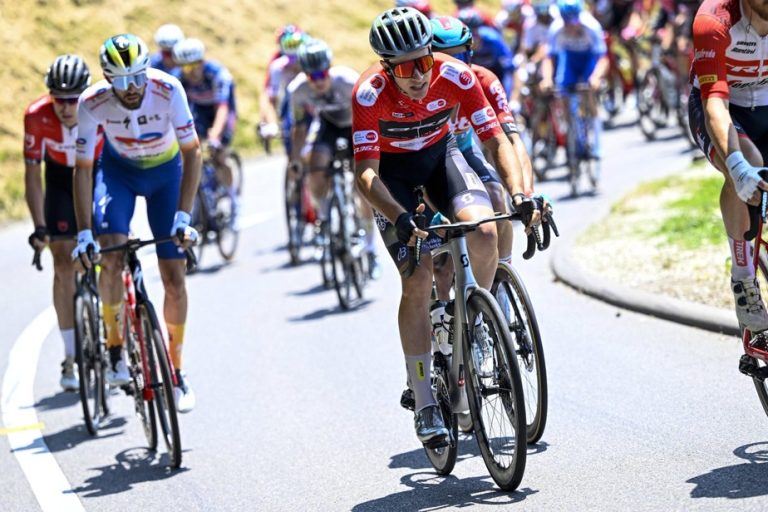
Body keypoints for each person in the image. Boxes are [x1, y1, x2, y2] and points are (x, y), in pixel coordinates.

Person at [353, 7, 538, 446]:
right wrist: (399, 217)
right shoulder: (368, 94)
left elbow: (496, 141)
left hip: (441, 159)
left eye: (424, 61)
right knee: (416, 278)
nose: (418, 74)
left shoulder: (456, 75)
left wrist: (519, 195)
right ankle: (424, 402)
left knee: (486, 231)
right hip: (393, 178)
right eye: (405, 67)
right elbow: (365, 175)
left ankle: (477, 320)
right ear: (386, 67)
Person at [72, 33, 202, 412]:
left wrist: (183, 215)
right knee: (110, 255)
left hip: (166, 174)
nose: (131, 89)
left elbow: (193, 153)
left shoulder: (168, 88)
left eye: (138, 78)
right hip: (119, 174)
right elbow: (82, 170)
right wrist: (83, 233)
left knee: (174, 278)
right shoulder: (91, 102)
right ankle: (114, 347)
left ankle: (176, 372)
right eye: (121, 81)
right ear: (107, 79)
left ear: (148, 71)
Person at [688, 0, 768, 334]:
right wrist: (736, 168)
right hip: (720, 108)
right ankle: (743, 278)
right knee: (749, 162)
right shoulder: (714, 20)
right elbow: (715, 106)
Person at [430, 15, 535, 266]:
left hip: (465, 150)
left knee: (497, 197)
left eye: (461, 58)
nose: (455, 67)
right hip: (429, 161)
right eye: (445, 59)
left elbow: (511, 140)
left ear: (471, 54)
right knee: (440, 266)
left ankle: (503, 278)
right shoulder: (419, 88)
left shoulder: (484, 80)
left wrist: (526, 194)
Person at [24, 55, 95, 391]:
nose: (66, 108)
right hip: (58, 182)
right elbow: (33, 176)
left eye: (73, 100)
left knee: (113, 252)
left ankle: (116, 343)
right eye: (59, 99)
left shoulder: (97, 108)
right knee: (63, 262)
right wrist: (40, 226)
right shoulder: (36, 117)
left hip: (96, 175)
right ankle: (70, 356)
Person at [287, 39, 382, 278]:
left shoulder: (348, 80)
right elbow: (299, 127)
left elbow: (374, 112)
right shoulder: (297, 90)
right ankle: (323, 220)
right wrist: (296, 159)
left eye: (321, 74)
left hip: (356, 125)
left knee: (363, 189)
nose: (317, 81)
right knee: (315, 171)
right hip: (328, 126)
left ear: (328, 69)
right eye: (311, 76)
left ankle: (371, 249)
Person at [172, 38, 238, 204]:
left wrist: (215, 135)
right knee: (191, 148)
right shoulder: (178, 80)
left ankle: (233, 198)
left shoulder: (217, 74)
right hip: (199, 109)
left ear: (203, 61)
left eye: (197, 65)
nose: (193, 71)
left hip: (221, 108)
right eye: (187, 67)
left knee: (219, 155)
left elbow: (222, 108)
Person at [540, 0, 608, 160]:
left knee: (590, 95)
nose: (571, 26)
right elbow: (549, 58)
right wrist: (547, 79)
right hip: (569, 59)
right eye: (567, 22)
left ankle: (597, 145)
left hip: (588, 59)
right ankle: (574, 136)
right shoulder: (556, 28)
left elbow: (603, 59)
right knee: (562, 95)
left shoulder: (591, 26)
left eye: (574, 21)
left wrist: (596, 77)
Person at [258, 24, 303, 145]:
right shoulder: (276, 62)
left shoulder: (310, 56)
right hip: (290, 98)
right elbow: (268, 95)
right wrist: (267, 122)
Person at [458, 7, 517, 96]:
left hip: (496, 74)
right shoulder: (456, 45)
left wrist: (509, 99)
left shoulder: (493, 40)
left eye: (473, 33)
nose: (470, 39)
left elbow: (509, 70)